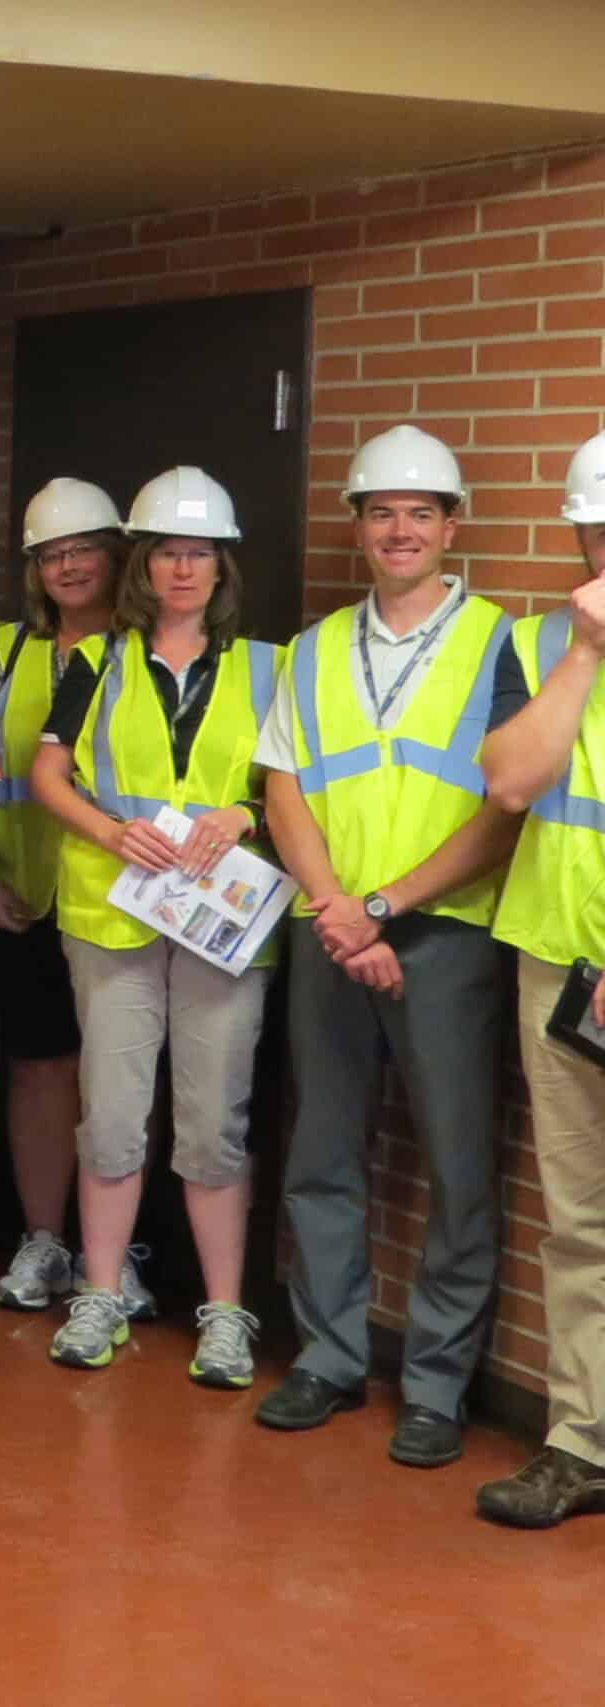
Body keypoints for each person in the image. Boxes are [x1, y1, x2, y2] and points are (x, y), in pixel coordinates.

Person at [254, 425, 519, 1469]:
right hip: (328, 929)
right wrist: (336, 908)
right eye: (379, 512)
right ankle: (327, 1355)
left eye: (419, 511)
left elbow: (507, 803)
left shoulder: (507, 641)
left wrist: (386, 902)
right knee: (321, 1149)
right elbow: (283, 786)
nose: (398, 529)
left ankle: (438, 1384)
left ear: (452, 526)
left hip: (442, 933)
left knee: (456, 1162)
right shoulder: (314, 647)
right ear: (356, 527)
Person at [29, 468, 278, 1384]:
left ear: (222, 567)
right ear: (143, 563)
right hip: (112, 917)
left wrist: (244, 815)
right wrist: (110, 830)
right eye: (167, 552)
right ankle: (99, 1295)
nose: (182, 569)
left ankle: (223, 1314)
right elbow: (47, 775)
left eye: (199, 554)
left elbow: (287, 787)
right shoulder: (97, 659)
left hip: (221, 924)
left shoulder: (267, 666)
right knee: (114, 1116)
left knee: (215, 1121)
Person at [473, 432, 605, 1526]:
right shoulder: (531, 646)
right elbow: (513, 782)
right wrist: (582, 655)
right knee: (579, 1221)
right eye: (601, 533)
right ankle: (580, 1443)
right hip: (554, 964)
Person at [0, 478, 123, 1312]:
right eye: (51, 555)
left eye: (83, 550)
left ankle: (116, 1247)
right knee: (40, 1070)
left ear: (116, 557)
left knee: (119, 1077)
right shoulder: (3, 655)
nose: (68, 567)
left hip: (118, 901)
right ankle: (43, 1239)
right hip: (23, 897)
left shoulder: (150, 652)